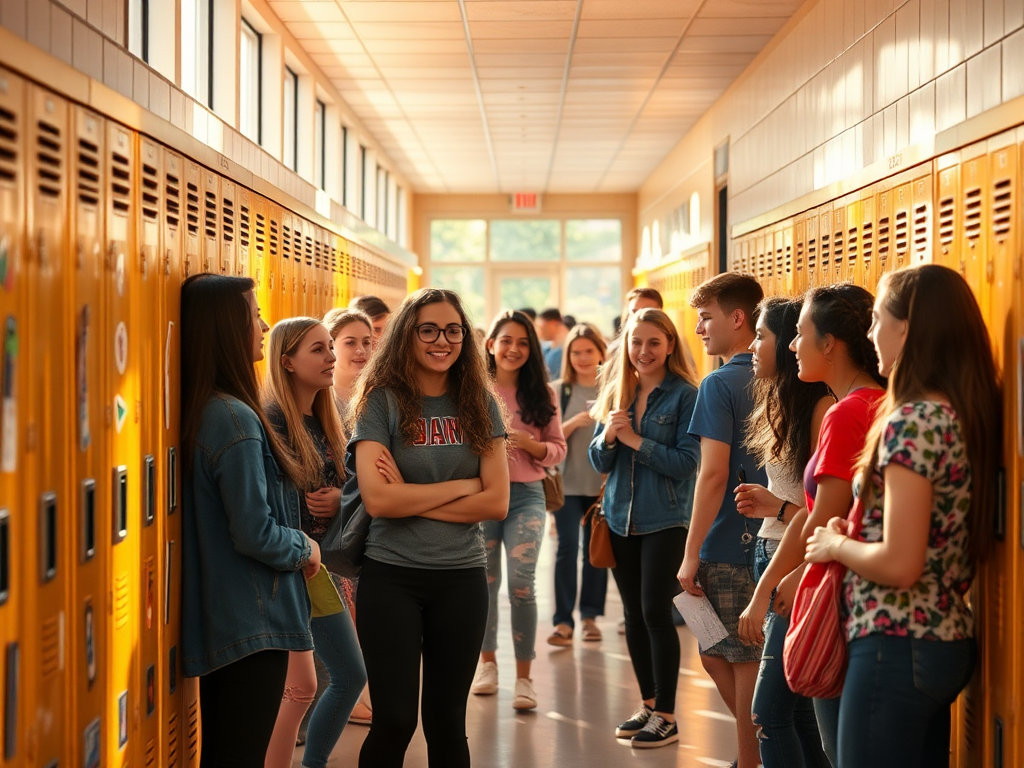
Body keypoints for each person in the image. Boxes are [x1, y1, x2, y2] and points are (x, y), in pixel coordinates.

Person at [806, 265, 999, 768]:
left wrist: (835, 546)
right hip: (936, 638)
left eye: (876, 321)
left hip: (896, 642)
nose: (870, 335)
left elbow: (899, 564)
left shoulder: (912, 421)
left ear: (906, 330)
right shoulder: (954, 412)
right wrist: (860, 529)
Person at [348, 288, 509, 768]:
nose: (443, 340)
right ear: (407, 336)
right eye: (429, 330)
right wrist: (465, 485)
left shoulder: (480, 401)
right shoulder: (382, 402)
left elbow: (497, 501)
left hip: (461, 577)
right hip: (391, 575)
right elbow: (378, 500)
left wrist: (409, 502)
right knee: (394, 719)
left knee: (446, 724)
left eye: (453, 330)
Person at [180, 274, 319, 768]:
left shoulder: (217, 409)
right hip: (251, 621)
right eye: (253, 315)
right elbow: (254, 531)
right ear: (227, 328)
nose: (263, 324)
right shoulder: (236, 419)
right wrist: (305, 546)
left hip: (232, 618)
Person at [589, 308, 701, 749]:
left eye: (654, 342)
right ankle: (649, 703)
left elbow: (687, 464)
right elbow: (599, 461)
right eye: (636, 342)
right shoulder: (618, 389)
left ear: (670, 345)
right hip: (619, 518)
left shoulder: (686, 396)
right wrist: (609, 438)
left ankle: (669, 715)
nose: (644, 351)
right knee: (633, 614)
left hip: (666, 519)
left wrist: (636, 440)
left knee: (656, 611)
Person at [262, 318, 366, 768]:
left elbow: (353, 491)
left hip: (323, 568)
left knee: (343, 676)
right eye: (319, 350)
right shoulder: (273, 424)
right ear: (286, 362)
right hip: (290, 569)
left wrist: (340, 499)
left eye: (330, 348)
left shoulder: (328, 420)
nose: (332, 358)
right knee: (306, 685)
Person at [732, 298, 832, 768]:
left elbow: (828, 513)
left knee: (768, 712)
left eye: (762, 336)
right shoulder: (778, 400)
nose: (753, 346)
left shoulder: (822, 409)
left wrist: (781, 507)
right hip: (772, 551)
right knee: (800, 713)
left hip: (794, 561)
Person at [676, 272, 767, 768]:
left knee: (739, 657)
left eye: (707, 318)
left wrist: (689, 554)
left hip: (729, 543)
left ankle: (753, 758)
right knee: (717, 651)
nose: (699, 329)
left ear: (738, 318)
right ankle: (765, 743)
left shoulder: (719, 382)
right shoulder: (783, 373)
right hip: (764, 540)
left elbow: (711, 476)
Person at [472, 310, 567, 710]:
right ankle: (488, 665)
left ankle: (525, 679)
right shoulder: (472, 389)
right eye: (506, 340)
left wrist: (530, 445)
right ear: (490, 344)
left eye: (523, 342)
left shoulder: (541, 394)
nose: (513, 349)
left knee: (522, 581)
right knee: (485, 582)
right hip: (480, 496)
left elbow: (558, 448)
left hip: (526, 494)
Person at [320, 307, 375, 728]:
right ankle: (345, 694)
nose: (360, 350)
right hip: (327, 537)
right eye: (349, 342)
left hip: (364, 528)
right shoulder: (322, 403)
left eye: (367, 342)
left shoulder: (374, 401)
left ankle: (358, 690)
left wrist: (347, 495)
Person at [547, 323, 608, 646]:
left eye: (588, 351)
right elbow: (548, 437)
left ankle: (589, 616)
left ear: (601, 352)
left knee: (595, 553)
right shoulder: (558, 390)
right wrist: (572, 423)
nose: (583, 358)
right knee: (567, 548)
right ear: (567, 355)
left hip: (601, 486)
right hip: (567, 485)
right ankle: (562, 621)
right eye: (576, 352)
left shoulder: (613, 388)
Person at [536, 308, 570, 378]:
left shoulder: (567, 349)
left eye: (542, 327)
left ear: (554, 323)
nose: (540, 331)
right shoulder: (548, 348)